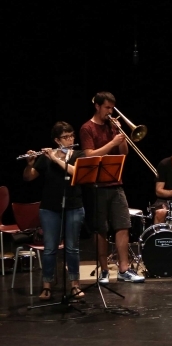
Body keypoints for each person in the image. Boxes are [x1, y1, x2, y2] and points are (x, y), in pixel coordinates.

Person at [80, 92, 145, 283]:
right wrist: (112, 143)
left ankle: (124, 269)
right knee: (100, 229)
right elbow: (90, 155)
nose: (110, 112)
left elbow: (123, 155)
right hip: (96, 186)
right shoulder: (87, 128)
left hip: (116, 184)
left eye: (112, 108)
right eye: (107, 108)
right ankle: (104, 270)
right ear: (98, 107)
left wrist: (121, 137)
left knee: (123, 225)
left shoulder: (112, 127)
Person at [22, 122, 85, 300]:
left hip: (74, 206)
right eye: (66, 137)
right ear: (57, 140)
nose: (70, 139)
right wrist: (30, 164)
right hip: (49, 208)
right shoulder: (45, 157)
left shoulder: (78, 154)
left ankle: (75, 285)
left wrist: (56, 159)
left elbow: (76, 172)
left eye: (72, 135)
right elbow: (28, 177)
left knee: (72, 248)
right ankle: (47, 286)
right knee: (49, 249)